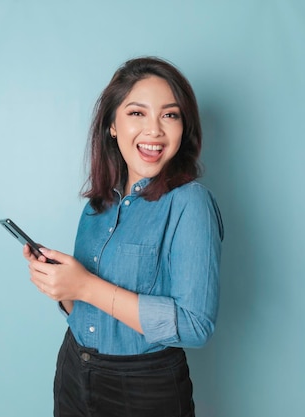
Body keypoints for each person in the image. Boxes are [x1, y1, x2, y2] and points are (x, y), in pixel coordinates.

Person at [23, 56, 223, 417]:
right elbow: (87, 312)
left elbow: (195, 326)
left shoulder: (190, 203)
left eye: (170, 114)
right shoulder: (97, 205)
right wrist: (62, 287)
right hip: (73, 371)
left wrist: (84, 287)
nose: (154, 130)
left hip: (143, 389)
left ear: (184, 126)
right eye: (137, 113)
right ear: (112, 125)